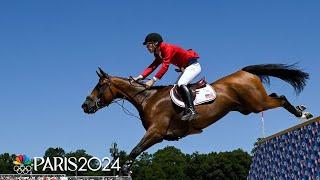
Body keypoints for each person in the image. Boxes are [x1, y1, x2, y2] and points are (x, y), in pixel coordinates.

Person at [132, 33, 202, 121]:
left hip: (193, 66)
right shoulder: (157, 53)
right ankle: (184, 110)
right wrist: (139, 77)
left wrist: (153, 80)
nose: (147, 47)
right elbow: (153, 66)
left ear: (155, 43)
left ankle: (192, 110)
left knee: (181, 84)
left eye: (148, 44)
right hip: (186, 68)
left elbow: (165, 66)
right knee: (176, 87)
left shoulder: (167, 48)